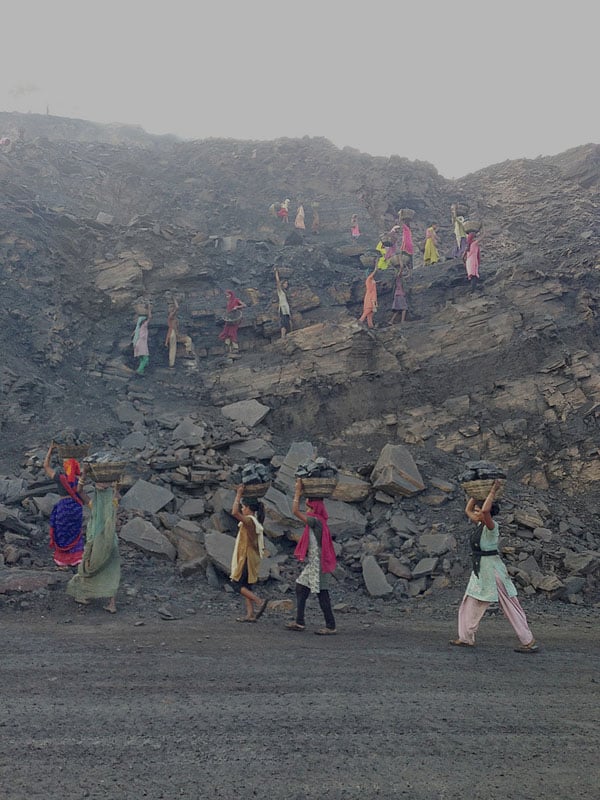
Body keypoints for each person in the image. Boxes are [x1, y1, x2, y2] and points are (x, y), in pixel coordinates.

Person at [450, 480, 539, 653]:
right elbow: (468, 510)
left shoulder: (491, 527)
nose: (475, 514)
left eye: (479, 512)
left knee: (509, 604)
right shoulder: (479, 525)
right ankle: (466, 637)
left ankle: (528, 640)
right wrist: (475, 495)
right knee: (470, 601)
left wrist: (492, 491)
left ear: (487, 514)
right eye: (476, 512)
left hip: (493, 570)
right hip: (480, 569)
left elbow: (484, 510)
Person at [286, 478, 337, 635]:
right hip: (315, 561)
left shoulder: (315, 521)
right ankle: (300, 621)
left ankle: (331, 626)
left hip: (318, 562)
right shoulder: (318, 520)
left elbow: (294, 511)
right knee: (301, 587)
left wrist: (297, 491)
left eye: (308, 506)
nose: (306, 509)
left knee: (322, 592)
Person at [66, 470, 121, 614]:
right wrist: (114, 482)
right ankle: (112, 604)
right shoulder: (113, 503)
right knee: (112, 571)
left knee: (88, 566)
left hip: (96, 541)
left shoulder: (93, 505)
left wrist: (83, 477)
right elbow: (117, 490)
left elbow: (79, 490)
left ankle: (83, 594)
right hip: (110, 541)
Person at [229, 485, 268, 623]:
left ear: (249, 508)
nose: (242, 509)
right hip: (251, 557)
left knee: (237, 584)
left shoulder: (250, 521)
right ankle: (250, 614)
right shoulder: (255, 522)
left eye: (244, 507)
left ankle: (259, 601)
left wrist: (238, 495)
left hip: (246, 557)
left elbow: (234, 512)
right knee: (246, 585)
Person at [43, 443, 85, 568]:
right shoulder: (79, 478)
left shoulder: (59, 477)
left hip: (63, 507)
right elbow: (85, 471)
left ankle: (62, 560)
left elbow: (45, 466)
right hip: (76, 507)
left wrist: (50, 450)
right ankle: (76, 558)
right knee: (75, 531)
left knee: (62, 531)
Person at [164, 297, 194, 368]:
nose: (172, 308)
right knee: (173, 348)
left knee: (188, 339)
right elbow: (177, 307)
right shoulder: (170, 316)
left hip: (175, 334)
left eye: (172, 307)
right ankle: (171, 364)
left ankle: (188, 352)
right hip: (172, 333)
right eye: (170, 307)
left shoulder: (174, 318)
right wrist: (175, 299)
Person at [218, 290, 245, 354]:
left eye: (228, 295)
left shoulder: (236, 300)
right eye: (226, 296)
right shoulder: (228, 302)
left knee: (232, 333)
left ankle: (235, 348)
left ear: (231, 295)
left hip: (235, 320)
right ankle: (229, 349)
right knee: (226, 332)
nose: (227, 297)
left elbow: (244, 305)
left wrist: (237, 307)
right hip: (229, 320)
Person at [132, 305, 151, 375]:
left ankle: (142, 371)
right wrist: (149, 309)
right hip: (141, 344)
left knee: (142, 358)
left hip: (137, 344)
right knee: (145, 358)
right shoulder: (144, 325)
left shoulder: (138, 328)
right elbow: (150, 317)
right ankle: (139, 370)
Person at [274, 267, 292, 339]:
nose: (286, 285)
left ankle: (289, 334)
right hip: (283, 308)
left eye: (287, 284)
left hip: (287, 309)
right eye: (285, 283)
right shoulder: (280, 291)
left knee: (288, 322)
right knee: (284, 323)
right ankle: (283, 336)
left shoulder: (285, 292)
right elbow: (277, 282)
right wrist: (276, 273)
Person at [358, 264, 378, 328]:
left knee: (370, 315)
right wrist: (375, 268)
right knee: (367, 312)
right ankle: (359, 322)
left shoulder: (371, 280)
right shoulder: (368, 279)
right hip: (370, 298)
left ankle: (371, 326)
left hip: (372, 297)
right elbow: (373, 273)